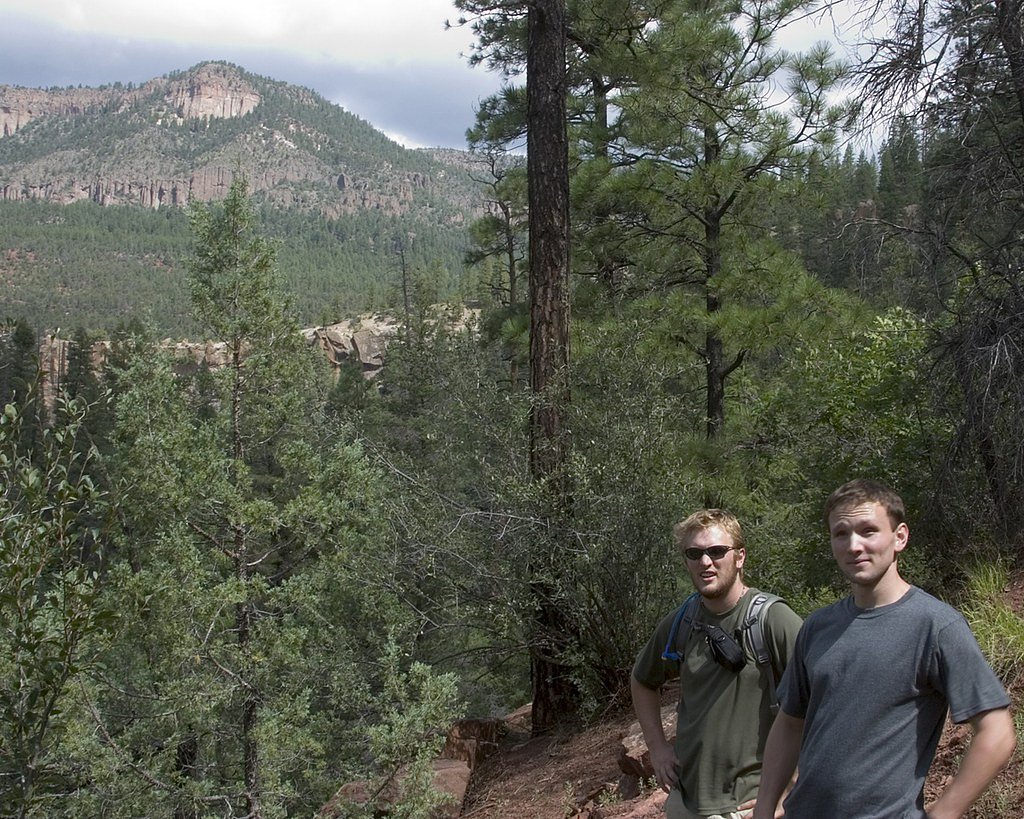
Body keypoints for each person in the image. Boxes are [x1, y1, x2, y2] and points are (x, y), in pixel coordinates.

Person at [753, 479, 1016, 819]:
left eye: (868, 531)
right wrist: (763, 808)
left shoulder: (936, 626)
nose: (854, 545)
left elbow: (997, 733)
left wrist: (943, 813)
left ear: (900, 537)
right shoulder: (817, 627)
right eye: (841, 534)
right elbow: (789, 724)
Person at [632, 509, 803, 819]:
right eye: (694, 553)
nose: (705, 562)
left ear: (740, 557)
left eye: (716, 551)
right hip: (687, 803)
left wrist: (793, 784)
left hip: (750, 805)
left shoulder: (773, 619)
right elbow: (643, 680)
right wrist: (656, 747)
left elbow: (821, 700)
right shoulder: (680, 622)